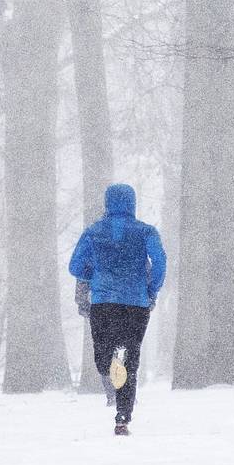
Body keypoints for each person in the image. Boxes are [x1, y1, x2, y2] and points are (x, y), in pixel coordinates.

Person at [69, 183, 166, 436]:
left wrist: (93, 272)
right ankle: (123, 408)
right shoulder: (146, 232)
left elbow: (75, 266)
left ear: (106, 203)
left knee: (105, 357)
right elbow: (160, 262)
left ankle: (122, 413)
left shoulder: (93, 232)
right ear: (133, 203)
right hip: (136, 304)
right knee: (128, 358)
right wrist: (152, 287)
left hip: (103, 303)